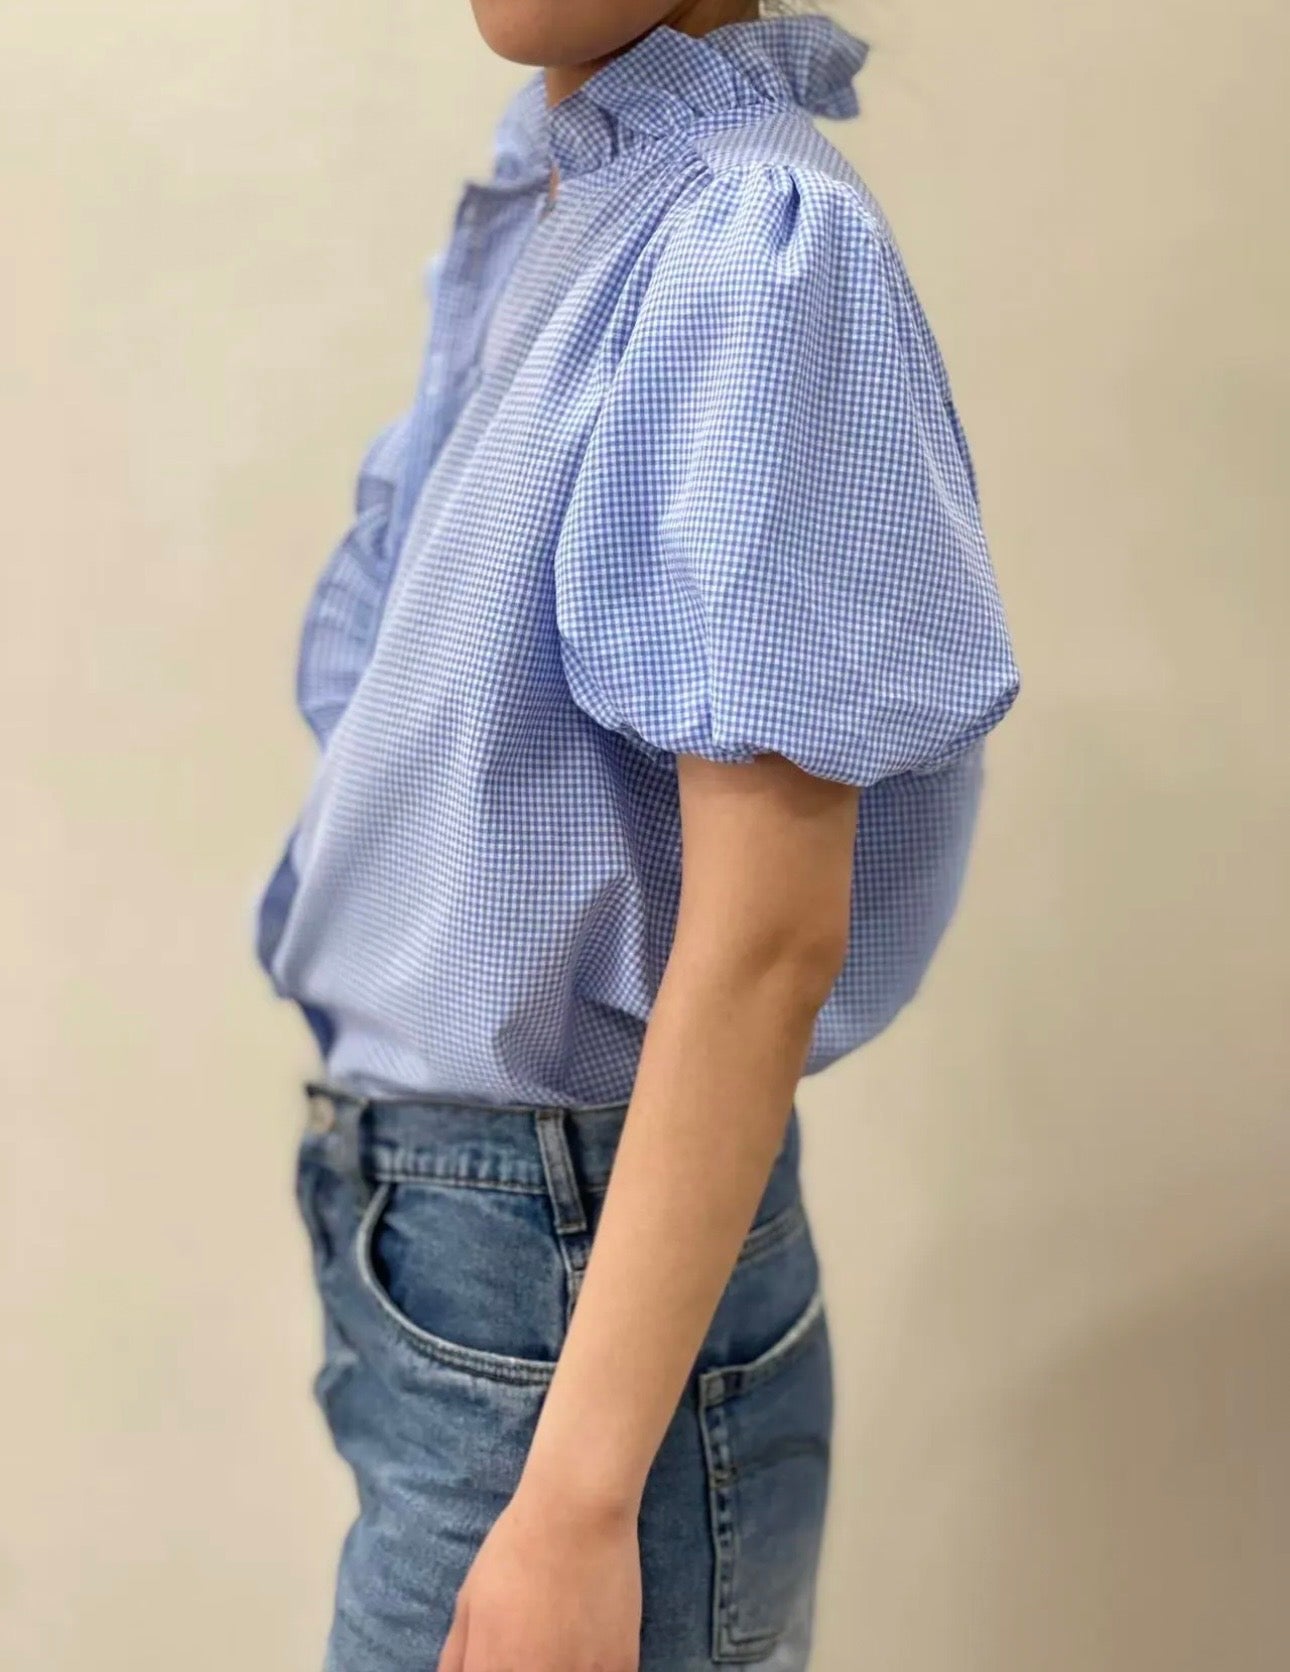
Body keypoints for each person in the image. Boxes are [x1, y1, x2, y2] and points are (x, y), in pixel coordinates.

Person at [254, 2, 1020, 1667]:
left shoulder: (750, 245)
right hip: (475, 1267)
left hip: (560, 1302)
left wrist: (578, 1499)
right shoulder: (584, 193)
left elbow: (766, 937)